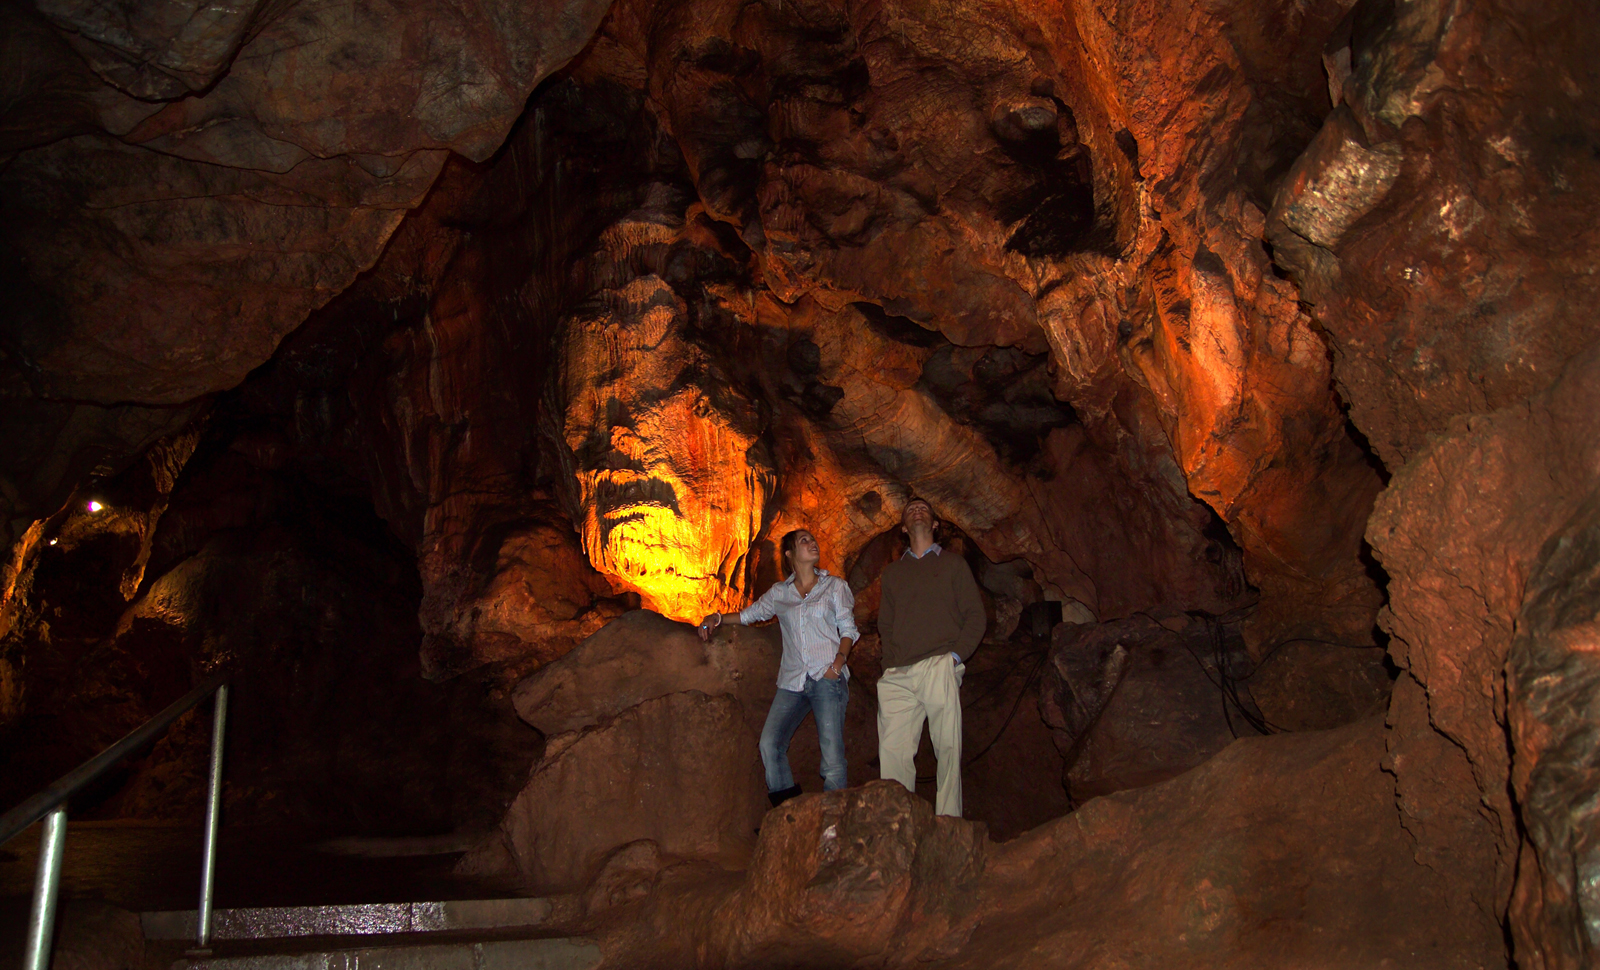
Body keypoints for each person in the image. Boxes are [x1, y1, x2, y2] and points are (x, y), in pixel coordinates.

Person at [699, 529, 859, 807]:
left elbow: (848, 629)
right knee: (770, 744)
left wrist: (838, 663)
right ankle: (789, 814)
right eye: (804, 541)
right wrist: (717, 618)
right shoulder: (780, 593)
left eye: (813, 539)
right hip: (793, 680)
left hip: (827, 677)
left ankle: (835, 823)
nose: (813, 543)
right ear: (790, 554)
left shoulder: (834, 586)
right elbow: (752, 614)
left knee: (832, 757)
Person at [876, 498, 984, 816]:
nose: (918, 509)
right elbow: (886, 624)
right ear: (904, 528)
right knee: (892, 753)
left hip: (939, 663)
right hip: (899, 672)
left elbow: (975, 616)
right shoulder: (893, 574)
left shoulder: (953, 565)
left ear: (935, 525)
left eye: (924, 508)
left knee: (948, 748)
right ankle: (896, 826)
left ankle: (948, 821)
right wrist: (888, 667)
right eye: (911, 509)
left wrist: (954, 657)